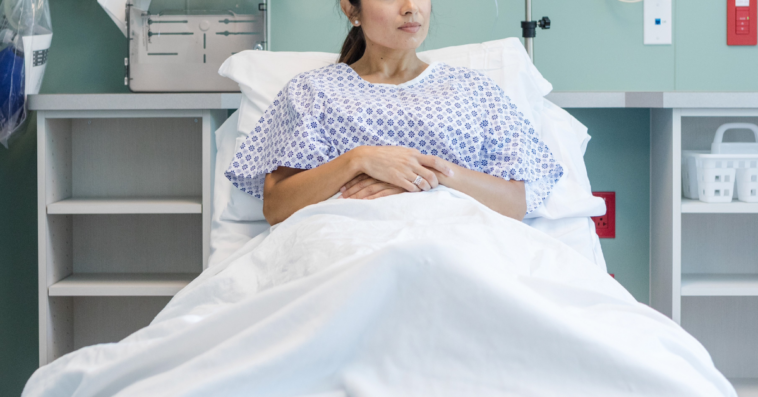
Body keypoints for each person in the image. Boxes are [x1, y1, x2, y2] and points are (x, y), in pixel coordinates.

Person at [225, 0, 563, 226]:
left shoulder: (473, 89)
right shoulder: (313, 92)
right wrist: (358, 160)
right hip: (343, 249)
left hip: (456, 243)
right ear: (351, 9)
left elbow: (515, 204)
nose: (410, 8)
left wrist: (429, 176)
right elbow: (277, 207)